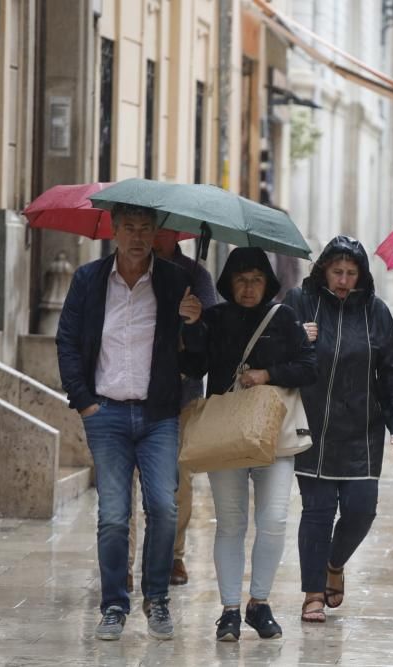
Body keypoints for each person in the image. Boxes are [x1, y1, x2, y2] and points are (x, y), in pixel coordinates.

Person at [56, 204, 191, 641]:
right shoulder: (89, 280)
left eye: (145, 229)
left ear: (156, 234)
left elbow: (198, 357)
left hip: (157, 417)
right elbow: (68, 341)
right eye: (129, 228)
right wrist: (84, 403)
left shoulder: (173, 283)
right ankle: (114, 605)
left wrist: (196, 323)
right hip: (106, 414)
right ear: (114, 231)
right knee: (113, 515)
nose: (137, 236)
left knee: (164, 509)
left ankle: (158, 600)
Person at [180, 247, 316, 641]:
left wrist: (268, 373)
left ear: (268, 283)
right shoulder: (215, 317)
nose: (249, 287)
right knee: (231, 523)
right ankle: (229, 611)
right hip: (227, 435)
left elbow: (310, 367)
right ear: (228, 282)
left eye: (256, 279)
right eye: (241, 279)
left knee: (273, 521)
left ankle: (259, 603)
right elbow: (193, 368)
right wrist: (191, 325)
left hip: (275, 435)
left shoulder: (284, 317)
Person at [282, 236, 393, 623]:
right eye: (337, 271)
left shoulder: (376, 312)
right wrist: (295, 339)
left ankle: (334, 564)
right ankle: (312, 595)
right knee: (318, 511)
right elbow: (270, 349)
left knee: (361, 510)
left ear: (361, 277)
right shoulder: (299, 302)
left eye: (351, 273)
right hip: (311, 426)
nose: (342, 280)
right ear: (323, 269)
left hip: (362, 428)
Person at [127, 229, 217, 590]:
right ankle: (124, 559)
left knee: (177, 479)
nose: (151, 236)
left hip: (180, 392)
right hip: (131, 389)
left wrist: (192, 320)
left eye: (158, 229)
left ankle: (172, 556)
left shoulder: (196, 275)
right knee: (124, 481)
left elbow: (210, 333)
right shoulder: (129, 271)